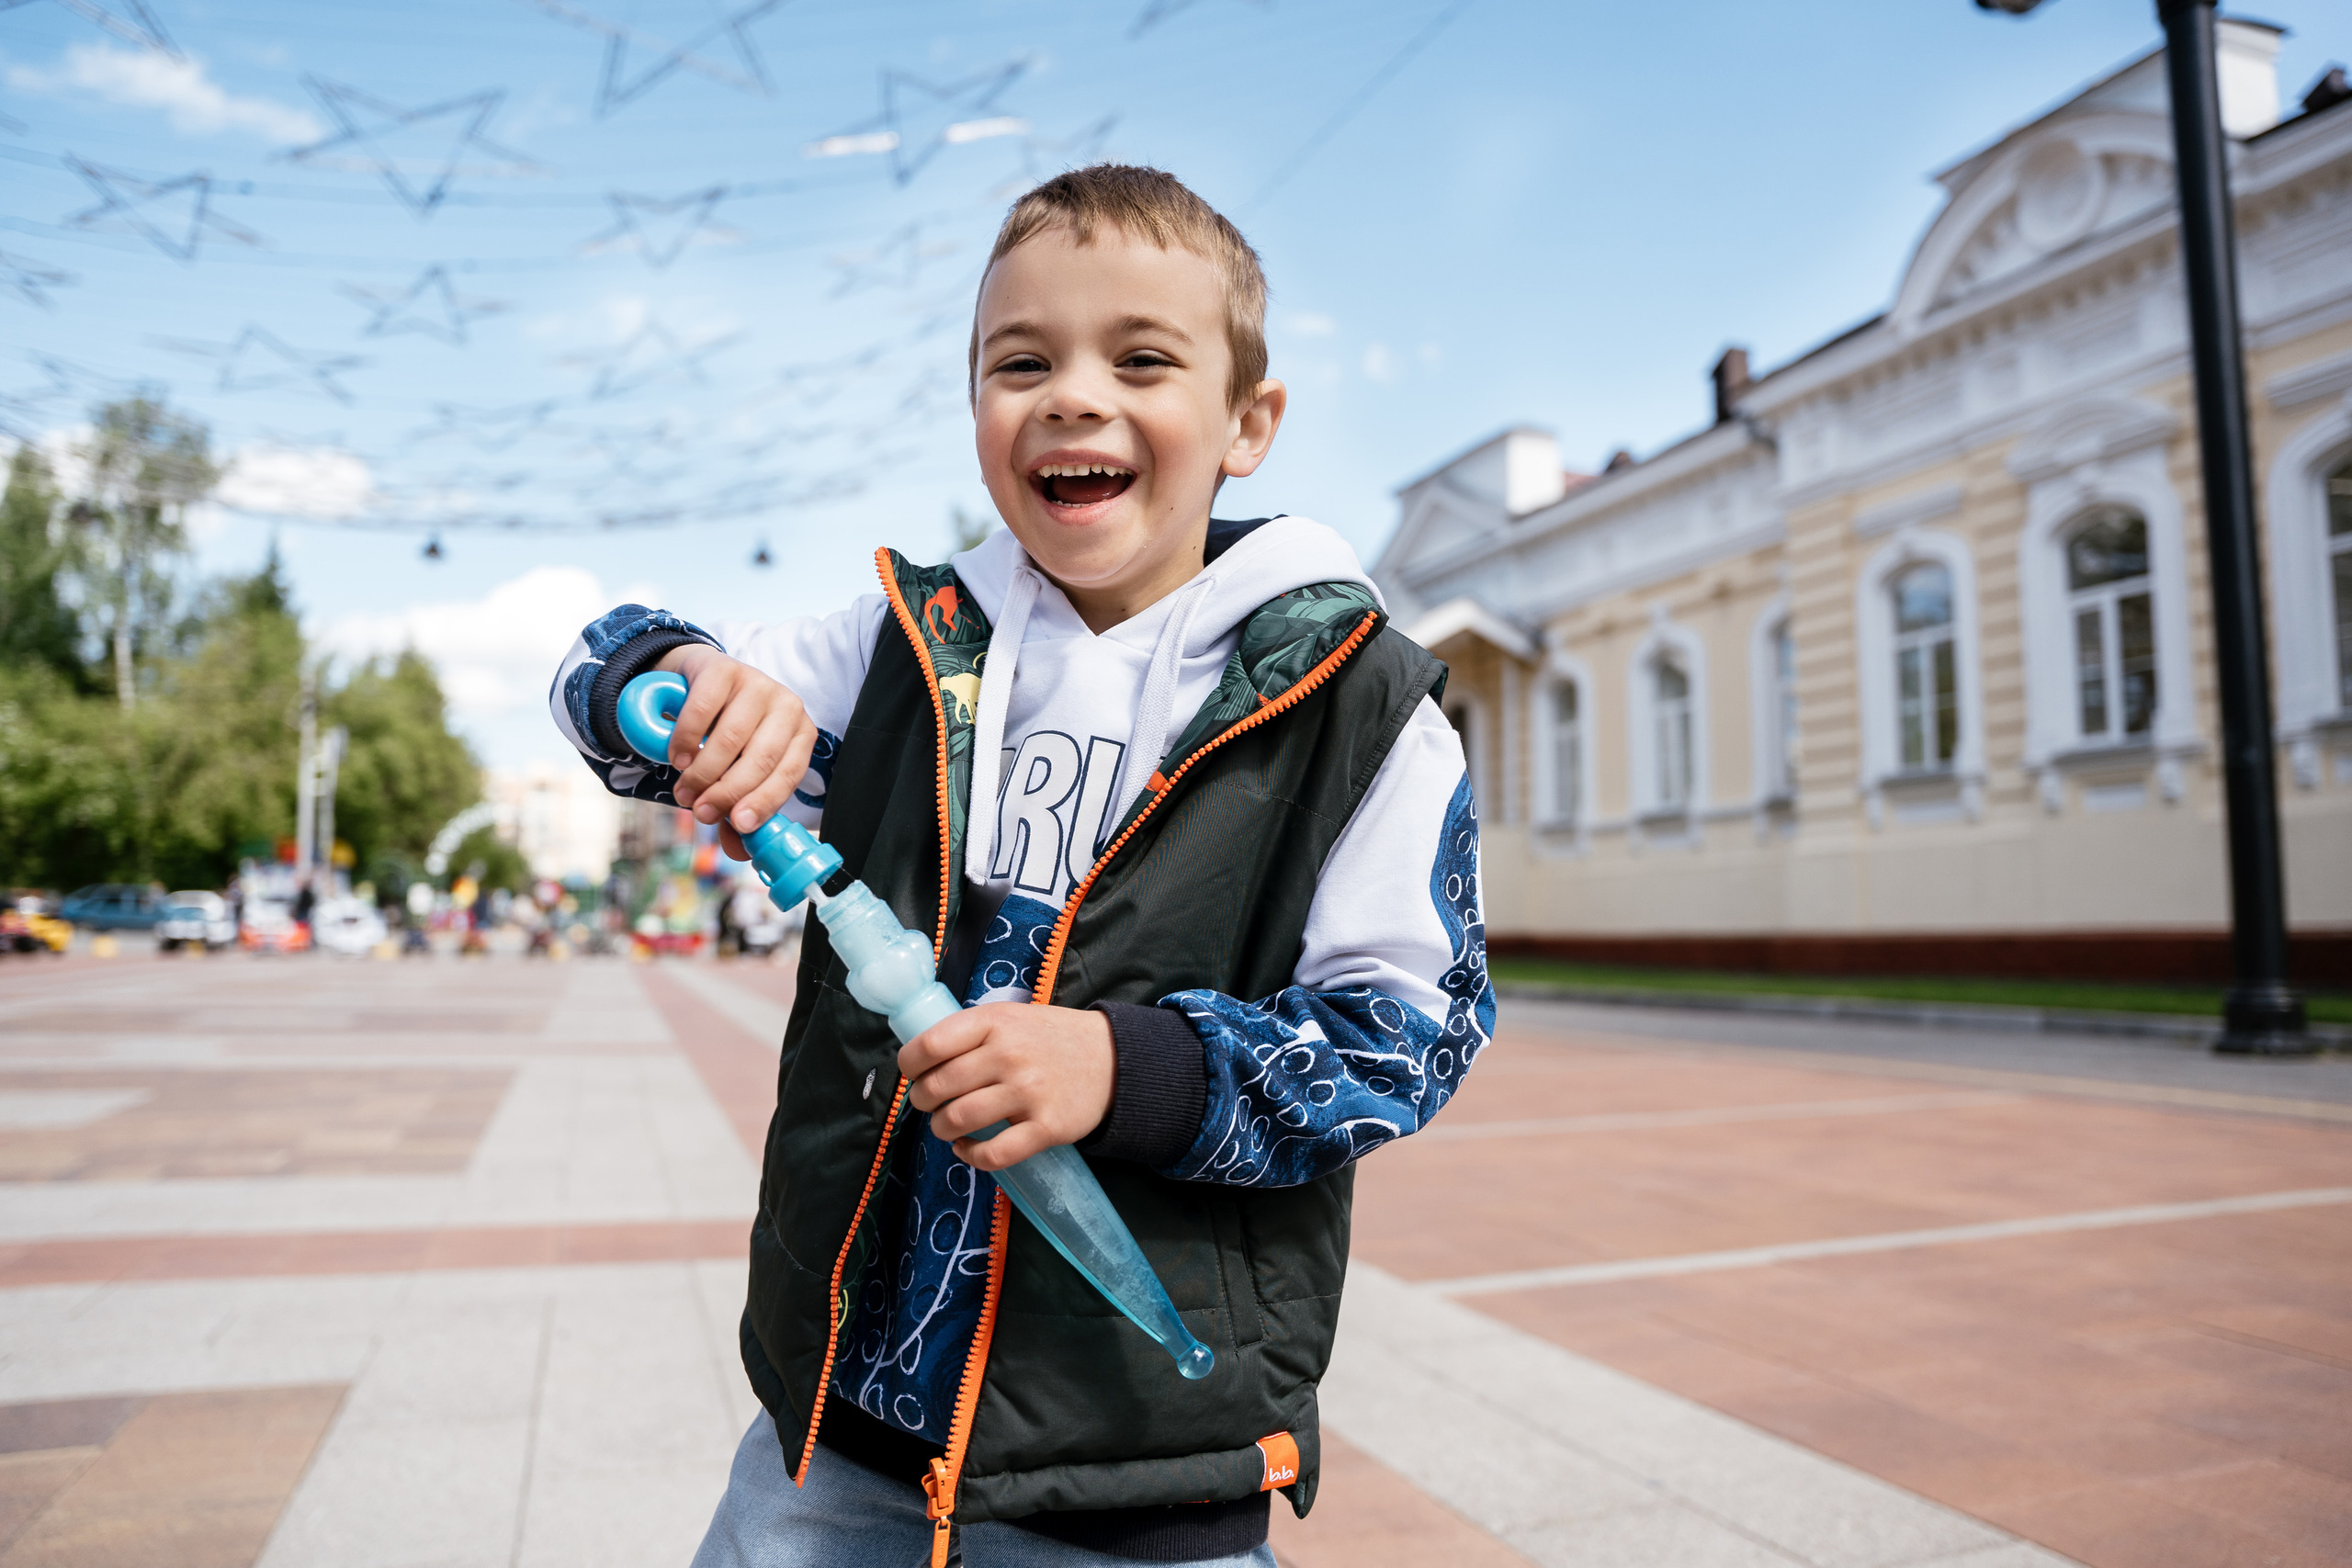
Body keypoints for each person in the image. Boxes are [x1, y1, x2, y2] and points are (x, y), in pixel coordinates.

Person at [549, 165, 1489, 1568]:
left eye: (1143, 358)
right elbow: (593, 680)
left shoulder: (1360, 713)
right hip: (840, 1451)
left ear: (1250, 423)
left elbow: (1412, 1037)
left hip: (1147, 1476)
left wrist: (1128, 1069)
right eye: (1022, 361)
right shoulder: (901, 650)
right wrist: (675, 676)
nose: (1072, 394)